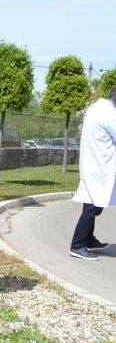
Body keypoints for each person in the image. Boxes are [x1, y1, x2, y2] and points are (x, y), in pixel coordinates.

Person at [67, 87, 116, 260]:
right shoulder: (109, 114)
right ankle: (77, 245)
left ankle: (88, 239)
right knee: (93, 207)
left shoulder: (98, 107)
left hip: (94, 164)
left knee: (92, 203)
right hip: (100, 166)